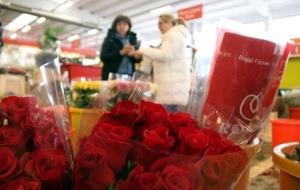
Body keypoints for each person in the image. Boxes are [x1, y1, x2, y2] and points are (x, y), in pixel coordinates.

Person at [134, 14, 191, 112]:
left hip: (171, 88)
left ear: (171, 23)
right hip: (170, 87)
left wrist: (143, 50)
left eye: (162, 22)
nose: (160, 26)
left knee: (167, 119)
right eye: (158, 23)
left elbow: (166, 55)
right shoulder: (171, 36)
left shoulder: (173, 35)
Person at [100, 15, 142, 80]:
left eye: (124, 24)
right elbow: (103, 57)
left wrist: (137, 57)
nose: (122, 26)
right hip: (113, 75)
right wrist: (121, 52)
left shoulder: (133, 39)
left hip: (129, 75)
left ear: (129, 26)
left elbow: (137, 60)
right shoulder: (109, 39)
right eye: (119, 24)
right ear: (115, 26)